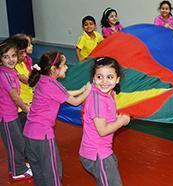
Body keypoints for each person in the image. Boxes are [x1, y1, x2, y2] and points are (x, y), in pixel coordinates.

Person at [24, 51, 91, 186]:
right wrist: (88, 91)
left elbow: (63, 94)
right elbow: (75, 102)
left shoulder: (43, 80)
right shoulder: (53, 84)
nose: (67, 67)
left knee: (39, 172)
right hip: (43, 135)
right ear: (54, 69)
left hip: (29, 134)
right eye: (64, 65)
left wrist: (81, 90)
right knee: (53, 172)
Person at [79, 56, 130, 186]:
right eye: (99, 77)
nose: (104, 82)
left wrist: (116, 118)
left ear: (117, 79)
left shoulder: (109, 93)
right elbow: (103, 130)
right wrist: (121, 121)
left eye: (110, 77)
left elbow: (107, 117)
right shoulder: (98, 100)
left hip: (101, 151)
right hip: (97, 154)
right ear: (93, 78)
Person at [0, 39, 32, 181]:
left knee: (18, 141)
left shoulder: (11, 71)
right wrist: (26, 108)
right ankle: (17, 171)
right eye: (6, 57)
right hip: (6, 117)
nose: (10, 60)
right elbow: (13, 95)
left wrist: (24, 104)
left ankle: (18, 164)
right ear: (0, 59)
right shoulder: (3, 74)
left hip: (12, 113)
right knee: (14, 143)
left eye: (13, 56)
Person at [12, 34, 34, 128]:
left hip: (28, 103)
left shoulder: (22, 64)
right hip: (21, 108)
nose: (24, 55)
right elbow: (27, 80)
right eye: (22, 52)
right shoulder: (14, 68)